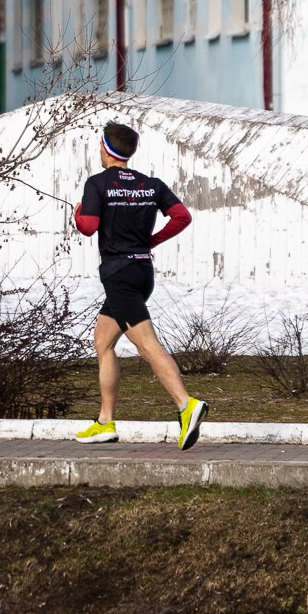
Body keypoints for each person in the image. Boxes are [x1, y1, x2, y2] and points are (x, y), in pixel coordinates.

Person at [71, 121, 205, 449]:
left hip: (119, 276)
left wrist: (77, 213)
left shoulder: (98, 184)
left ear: (105, 148)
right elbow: (182, 216)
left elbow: (87, 227)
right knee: (103, 341)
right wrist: (152, 241)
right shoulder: (151, 185)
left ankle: (186, 405)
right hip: (143, 274)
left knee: (146, 345)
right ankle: (105, 422)